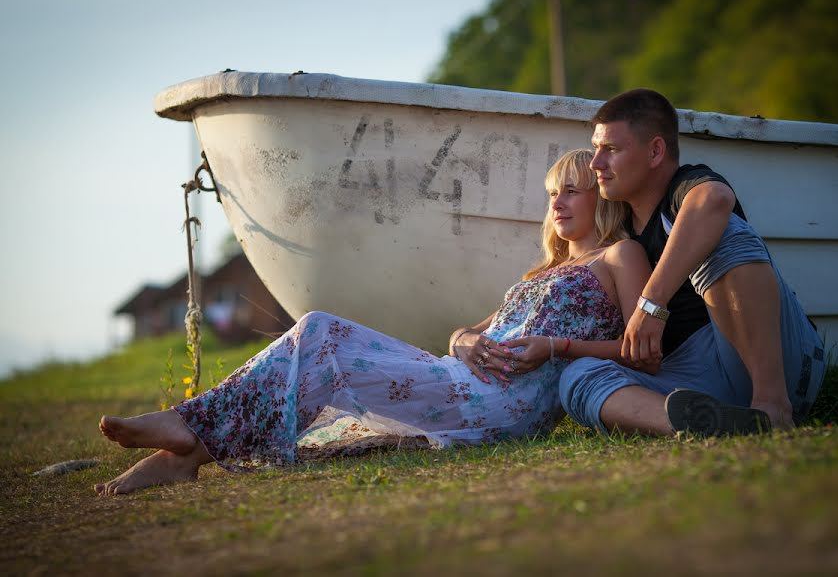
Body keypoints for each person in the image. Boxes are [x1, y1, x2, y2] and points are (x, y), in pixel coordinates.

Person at [94, 149, 653, 495]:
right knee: (318, 339)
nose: (557, 203)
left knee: (319, 334)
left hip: (505, 404)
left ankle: (186, 433)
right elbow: (474, 329)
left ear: (600, 195)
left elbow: (640, 351)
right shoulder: (545, 269)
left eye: (572, 190)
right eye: (553, 192)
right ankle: (186, 450)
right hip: (464, 377)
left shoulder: (620, 257)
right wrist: (462, 339)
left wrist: (558, 347)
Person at [559, 88, 826, 438]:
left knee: (723, 229)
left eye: (610, 149)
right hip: (691, 376)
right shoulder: (618, 228)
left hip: (774, 363)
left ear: (655, 151)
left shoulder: (685, 187)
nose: (596, 163)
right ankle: (700, 424)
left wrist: (651, 305)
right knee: (577, 376)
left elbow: (715, 199)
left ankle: (774, 408)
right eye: (596, 148)